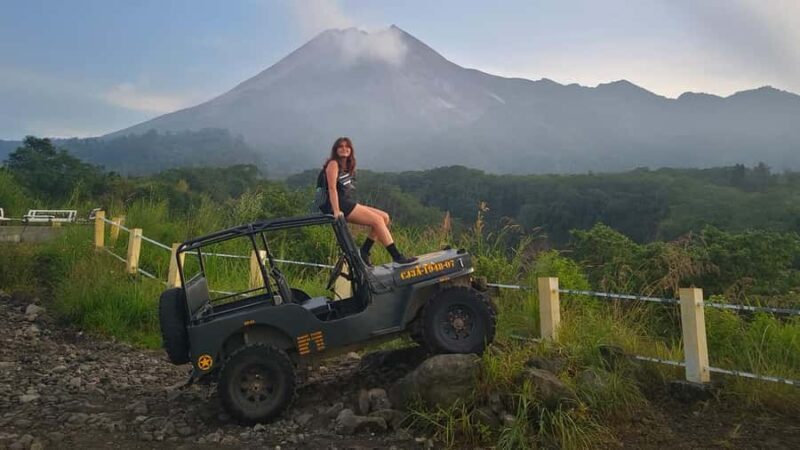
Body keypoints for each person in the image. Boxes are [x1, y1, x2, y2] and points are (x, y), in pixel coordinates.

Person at [317, 137, 417, 266]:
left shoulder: (347, 165)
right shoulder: (333, 164)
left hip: (344, 201)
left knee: (384, 217)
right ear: (335, 150)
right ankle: (397, 256)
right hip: (333, 203)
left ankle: (364, 251)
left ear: (351, 150)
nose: (344, 149)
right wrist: (336, 211)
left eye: (347, 146)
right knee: (377, 220)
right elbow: (331, 188)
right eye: (340, 146)